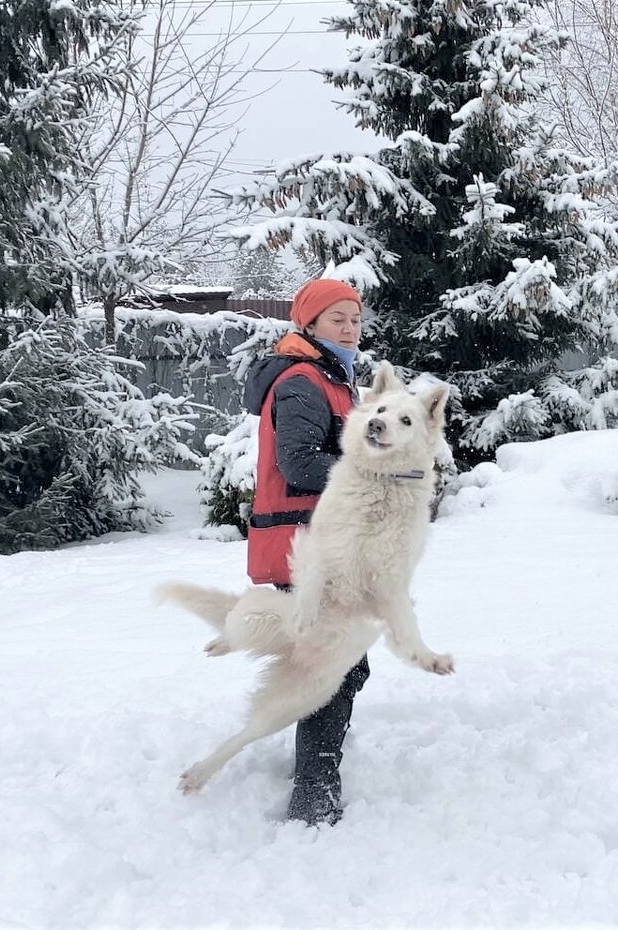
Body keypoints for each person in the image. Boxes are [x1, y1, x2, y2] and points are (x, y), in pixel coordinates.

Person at [243, 277, 370, 826]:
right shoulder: (302, 381)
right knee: (333, 667)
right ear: (309, 324)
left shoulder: (331, 378)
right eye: (336, 318)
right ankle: (313, 797)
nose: (348, 328)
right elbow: (297, 465)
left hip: (327, 544)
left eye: (355, 318)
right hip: (304, 546)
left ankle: (311, 754)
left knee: (342, 665)